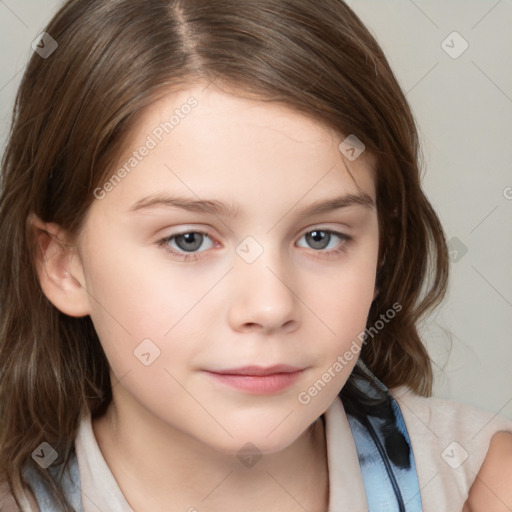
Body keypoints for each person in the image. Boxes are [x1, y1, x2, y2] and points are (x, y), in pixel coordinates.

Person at [0, 0, 510, 511]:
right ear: (63, 265)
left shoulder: (484, 486)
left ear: (381, 251)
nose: (269, 307)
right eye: (189, 240)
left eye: (321, 237)